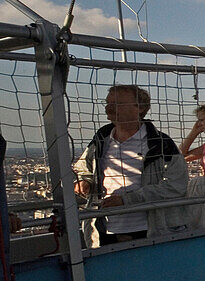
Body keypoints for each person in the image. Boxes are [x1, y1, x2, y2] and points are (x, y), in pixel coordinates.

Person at [74, 85, 188, 246]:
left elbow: (177, 185)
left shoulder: (161, 144)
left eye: (117, 103)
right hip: (104, 231)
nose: (109, 108)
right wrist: (85, 183)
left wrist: (127, 200)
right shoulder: (100, 142)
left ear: (140, 108)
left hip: (149, 229)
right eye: (107, 103)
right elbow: (83, 170)